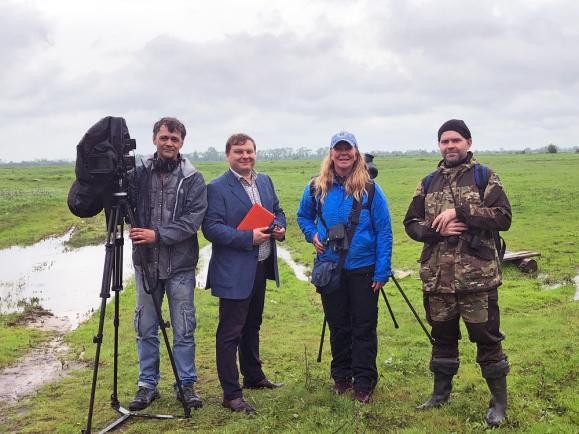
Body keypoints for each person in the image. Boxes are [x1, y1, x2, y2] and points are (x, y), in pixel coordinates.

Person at [403, 119, 512, 426]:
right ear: (439, 145)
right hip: (438, 280)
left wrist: (461, 212)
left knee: (488, 339)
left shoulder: (484, 176)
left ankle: (498, 404)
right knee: (442, 338)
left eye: (455, 140)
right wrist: (436, 231)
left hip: (477, 280)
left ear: (468, 142)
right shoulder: (427, 181)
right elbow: (411, 224)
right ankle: (439, 395)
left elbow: (503, 217)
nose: (449, 146)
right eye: (444, 141)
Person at [296, 131, 393, 404]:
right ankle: (341, 377)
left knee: (363, 327)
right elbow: (304, 215)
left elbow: (384, 231)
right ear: (331, 154)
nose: (343, 154)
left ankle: (364, 381)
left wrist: (381, 271)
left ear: (356, 153)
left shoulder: (371, 188)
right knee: (338, 325)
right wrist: (311, 234)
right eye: (338, 150)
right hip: (330, 267)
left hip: (364, 269)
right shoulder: (317, 187)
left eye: (348, 149)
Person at [202, 133, 286, 413]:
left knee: (253, 325)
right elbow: (211, 228)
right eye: (239, 152)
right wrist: (248, 237)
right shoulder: (216, 188)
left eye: (249, 151)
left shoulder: (264, 181)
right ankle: (231, 394)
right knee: (230, 333)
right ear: (228, 155)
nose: (245, 156)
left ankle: (253, 376)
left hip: (260, 267)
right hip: (233, 272)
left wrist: (280, 227)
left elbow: (277, 211)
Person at [127, 117, 207, 411]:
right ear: (154, 140)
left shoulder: (193, 178)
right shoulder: (138, 174)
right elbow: (126, 207)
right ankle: (147, 385)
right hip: (146, 265)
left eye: (174, 139)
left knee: (184, 328)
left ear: (182, 143)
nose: (169, 143)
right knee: (145, 326)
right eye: (164, 138)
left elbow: (193, 220)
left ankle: (186, 385)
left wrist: (157, 235)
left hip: (181, 267)